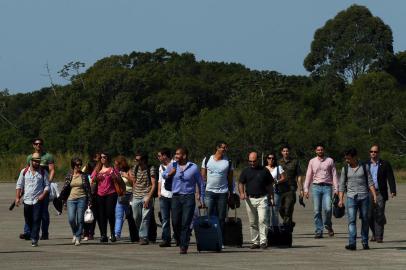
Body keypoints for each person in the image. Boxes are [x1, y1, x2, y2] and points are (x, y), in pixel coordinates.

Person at [162, 147, 204, 254]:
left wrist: (201, 197)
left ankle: (184, 245)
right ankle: (181, 239)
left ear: (184, 155)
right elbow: (164, 175)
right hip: (175, 197)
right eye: (175, 154)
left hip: (189, 197)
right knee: (175, 222)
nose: (176, 156)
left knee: (186, 222)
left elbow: (200, 183)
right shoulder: (172, 165)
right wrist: (169, 174)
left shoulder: (193, 167)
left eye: (178, 154)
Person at [338, 148, 377, 250]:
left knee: (365, 220)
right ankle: (352, 243)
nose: (347, 160)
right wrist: (340, 200)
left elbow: (370, 182)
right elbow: (341, 185)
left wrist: (374, 195)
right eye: (346, 158)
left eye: (349, 158)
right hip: (351, 197)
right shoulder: (345, 169)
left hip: (364, 197)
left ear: (355, 157)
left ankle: (364, 242)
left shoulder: (364, 167)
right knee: (351, 221)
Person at [20, 138, 55, 240]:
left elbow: (52, 170)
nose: (38, 145)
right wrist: (24, 188)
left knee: (43, 212)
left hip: (44, 188)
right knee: (29, 211)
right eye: (36, 144)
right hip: (32, 189)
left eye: (40, 144)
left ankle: (44, 233)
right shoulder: (29, 157)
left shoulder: (48, 156)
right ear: (33, 145)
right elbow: (28, 172)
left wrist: (48, 182)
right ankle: (28, 232)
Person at [238, 151, 274, 249]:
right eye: (250, 161)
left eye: (254, 161)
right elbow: (241, 183)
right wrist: (241, 193)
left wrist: (271, 197)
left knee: (262, 220)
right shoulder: (245, 171)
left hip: (263, 198)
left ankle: (263, 241)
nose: (252, 163)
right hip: (250, 199)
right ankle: (255, 242)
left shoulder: (264, 170)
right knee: (253, 222)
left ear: (258, 160)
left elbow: (270, 185)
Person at [201, 141, 233, 245]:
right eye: (222, 147)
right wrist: (200, 193)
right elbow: (203, 176)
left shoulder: (228, 161)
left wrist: (231, 193)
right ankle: (209, 238)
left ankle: (220, 240)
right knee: (209, 216)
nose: (224, 149)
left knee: (221, 218)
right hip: (209, 192)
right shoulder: (207, 159)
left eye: (225, 148)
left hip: (223, 193)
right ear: (217, 148)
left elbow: (230, 179)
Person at [304, 144, 339, 238]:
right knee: (317, 211)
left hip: (327, 187)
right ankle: (319, 230)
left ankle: (328, 224)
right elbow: (308, 175)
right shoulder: (312, 161)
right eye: (318, 150)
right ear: (316, 151)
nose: (320, 151)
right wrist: (306, 189)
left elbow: (334, 175)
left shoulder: (330, 160)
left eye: (321, 149)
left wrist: (337, 189)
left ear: (324, 150)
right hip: (316, 187)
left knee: (328, 208)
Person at [15, 153, 50, 247]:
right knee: (28, 219)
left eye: (38, 161)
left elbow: (47, 186)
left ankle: (34, 238)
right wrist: (17, 197)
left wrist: (43, 195)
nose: (37, 163)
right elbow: (19, 185)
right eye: (35, 161)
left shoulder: (43, 172)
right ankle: (32, 233)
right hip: (26, 200)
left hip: (37, 200)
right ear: (31, 161)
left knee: (37, 219)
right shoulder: (24, 171)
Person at [367, 144, 397, 243]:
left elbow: (390, 177)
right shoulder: (365, 164)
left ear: (378, 153)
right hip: (368, 192)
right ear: (369, 153)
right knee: (369, 215)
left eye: (375, 152)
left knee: (379, 213)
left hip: (380, 192)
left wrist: (393, 190)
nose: (373, 153)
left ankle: (379, 236)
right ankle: (374, 233)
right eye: (371, 151)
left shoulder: (385, 164)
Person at [60, 157, 92, 246]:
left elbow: (88, 189)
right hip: (71, 199)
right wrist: (63, 201)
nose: (79, 166)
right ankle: (75, 232)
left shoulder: (84, 175)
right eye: (77, 164)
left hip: (82, 198)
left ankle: (78, 237)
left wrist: (90, 200)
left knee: (80, 219)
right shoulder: (69, 175)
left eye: (80, 164)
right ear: (73, 165)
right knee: (71, 219)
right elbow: (65, 188)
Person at [127, 151, 156, 245]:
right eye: (136, 159)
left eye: (139, 159)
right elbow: (134, 182)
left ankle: (143, 237)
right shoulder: (135, 168)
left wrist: (149, 197)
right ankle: (142, 234)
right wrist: (133, 193)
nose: (137, 161)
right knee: (136, 217)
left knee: (145, 217)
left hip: (146, 195)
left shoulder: (151, 168)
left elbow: (154, 184)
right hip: (136, 195)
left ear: (144, 160)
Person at [90, 152, 119, 243]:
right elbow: (92, 179)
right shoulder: (98, 169)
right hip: (100, 194)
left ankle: (112, 233)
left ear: (108, 158)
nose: (103, 159)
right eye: (101, 157)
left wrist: (114, 176)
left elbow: (118, 178)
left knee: (110, 212)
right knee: (101, 215)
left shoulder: (112, 169)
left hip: (111, 193)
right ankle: (103, 235)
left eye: (104, 157)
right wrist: (96, 179)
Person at [113, 155, 138, 242]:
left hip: (130, 195)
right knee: (119, 215)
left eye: (117, 164)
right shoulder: (117, 172)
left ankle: (134, 236)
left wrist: (126, 176)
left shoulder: (129, 171)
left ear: (121, 164)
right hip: (121, 195)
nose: (116, 166)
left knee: (130, 216)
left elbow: (134, 182)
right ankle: (117, 234)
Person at [278, 145, 303, 230]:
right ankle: (289, 222)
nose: (286, 152)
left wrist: (301, 189)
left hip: (291, 187)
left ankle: (286, 226)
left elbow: (299, 175)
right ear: (281, 152)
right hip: (280, 188)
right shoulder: (278, 162)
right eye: (284, 151)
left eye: (287, 151)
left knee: (288, 207)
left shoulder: (295, 162)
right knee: (280, 208)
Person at [157, 148, 174, 247]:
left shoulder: (174, 164)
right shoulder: (160, 166)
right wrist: (159, 192)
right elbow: (160, 180)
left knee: (176, 219)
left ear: (165, 156)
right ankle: (166, 239)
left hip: (174, 195)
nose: (158, 158)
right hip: (164, 195)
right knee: (165, 219)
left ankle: (178, 236)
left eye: (159, 156)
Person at [265, 152, 287, 227]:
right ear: (267, 159)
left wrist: (277, 181)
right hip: (265, 192)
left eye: (273, 158)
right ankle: (267, 228)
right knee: (266, 210)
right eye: (269, 158)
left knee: (274, 210)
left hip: (276, 191)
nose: (271, 160)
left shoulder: (278, 168)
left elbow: (284, 178)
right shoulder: (263, 168)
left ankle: (275, 228)